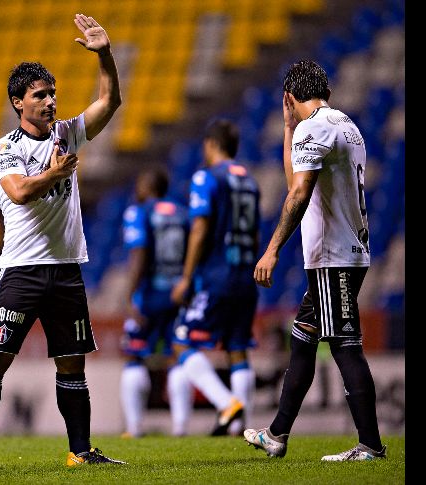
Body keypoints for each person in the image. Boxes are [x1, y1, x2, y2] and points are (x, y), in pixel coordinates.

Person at [0, 13, 126, 469]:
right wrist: (56, 173)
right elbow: (20, 192)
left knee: (72, 364)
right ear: (17, 103)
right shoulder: (5, 147)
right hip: (22, 270)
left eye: (53, 93)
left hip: (66, 268)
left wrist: (104, 53)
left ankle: (80, 452)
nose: (50, 101)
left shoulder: (67, 133)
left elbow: (110, 101)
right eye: (40, 95)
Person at [243, 60, 387, 461]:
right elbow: (299, 179)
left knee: (345, 345)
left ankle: (370, 445)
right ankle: (277, 434)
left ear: (288, 97)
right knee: (303, 340)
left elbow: (298, 192)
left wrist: (272, 249)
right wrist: (290, 129)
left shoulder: (316, 128)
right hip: (349, 251)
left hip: (332, 257)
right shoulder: (345, 124)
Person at [170, 119, 261, 437]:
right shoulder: (250, 180)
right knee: (237, 347)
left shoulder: (206, 177)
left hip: (217, 274)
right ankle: (241, 426)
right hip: (246, 275)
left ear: (211, 144)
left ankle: (226, 404)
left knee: (181, 341)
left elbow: (200, 227)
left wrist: (186, 276)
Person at [119, 169, 193, 438]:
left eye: (139, 183)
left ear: (148, 185)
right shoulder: (182, 213)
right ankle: (181, 427)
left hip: (150, 294)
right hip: (177, 294)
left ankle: (134, 428)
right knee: (177, 358)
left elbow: (139, 253)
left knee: (135, 357)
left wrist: (129, 295)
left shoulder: (138, 211)